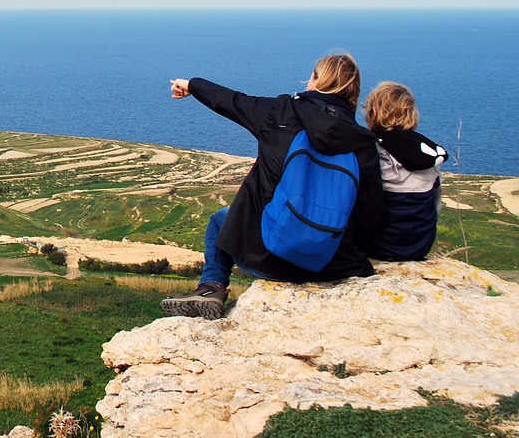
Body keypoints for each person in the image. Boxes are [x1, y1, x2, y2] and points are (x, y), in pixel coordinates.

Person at [160, 53, 385, 320]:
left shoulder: (279, 112)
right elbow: (370, 214)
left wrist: (192, 85)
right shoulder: (363, 142)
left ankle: (212, 287)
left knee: (220, 220)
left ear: (315, 78)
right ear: (354, 92)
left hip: (268, 258)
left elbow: (232, 101)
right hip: (331, 266)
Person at [357, 81, 447, 261]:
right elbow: (435, 201)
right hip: (420, 246)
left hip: (378, 246)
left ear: (373, 113)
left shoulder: (371, 149)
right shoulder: (427, 153)